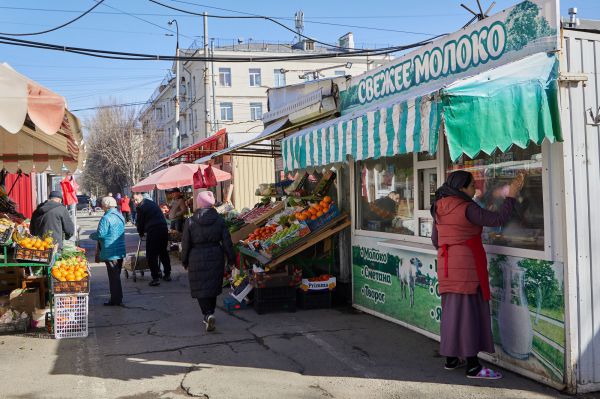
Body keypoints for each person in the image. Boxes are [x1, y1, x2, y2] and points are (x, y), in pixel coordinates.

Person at [430, 170, 524, 380]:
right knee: (468, 314)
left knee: (452, 313)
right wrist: (512, 195)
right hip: (466, 267)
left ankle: (451, 358)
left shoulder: (439, 206)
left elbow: (436, 240)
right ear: (462, 187)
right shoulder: (466, 206)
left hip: (447, 265)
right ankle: (473, 366)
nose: (475, 189)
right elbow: (498, 218)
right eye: (472, 185)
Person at [181, 191, 235, 332]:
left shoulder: (190, 221)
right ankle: (210, 312)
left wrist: (184, 260)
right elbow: (227, 241)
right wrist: (231, 258)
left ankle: (207, 314)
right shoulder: (219, 220)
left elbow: (185, 243)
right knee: (212, 285)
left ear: (198, 204)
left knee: (201, 287)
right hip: (216, 255)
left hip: (196, 256)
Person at [90, 197, 126, 306]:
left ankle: (115, 299)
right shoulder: (120, 216)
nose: (101, 206)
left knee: (113, 277)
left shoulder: (106, 218)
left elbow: (101, 234)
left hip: (110, 251)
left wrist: (92, 235)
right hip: (120, 250)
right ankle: (117, 297)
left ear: (105, 206)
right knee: (116, 275)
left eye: (102, 204)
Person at [133, 192, 172, 286]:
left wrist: (141, 233)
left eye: (136, 199)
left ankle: (155, 277)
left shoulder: (141, 207)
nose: (135, 202)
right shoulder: (152, 203)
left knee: (151, 255)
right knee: (163, 252)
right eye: (133, 200)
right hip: (163, 228)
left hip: (154, 230)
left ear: (140, 196)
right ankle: (167, 274)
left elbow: (140, 222)